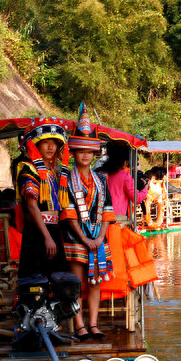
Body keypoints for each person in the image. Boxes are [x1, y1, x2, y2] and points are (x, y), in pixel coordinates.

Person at [61, 104, 115, 340]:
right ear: (73, 153)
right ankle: (79, 324)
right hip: (75, 238)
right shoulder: (66, 180)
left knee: (95, 281)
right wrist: (84, 238)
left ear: (94, 154)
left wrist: (101, 236)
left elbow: (107, 210)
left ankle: (93, 324)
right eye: (80, 151)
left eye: (89, 151)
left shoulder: (101, 179)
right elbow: (68, 211)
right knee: (76, 283)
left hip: (98, 238)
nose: (85, 155)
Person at [15, 117, 71, 279]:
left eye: (54, 142)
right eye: (46, 142)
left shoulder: (54, 170)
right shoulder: (29, 169)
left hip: (53, 229)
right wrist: (47, 237)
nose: (51, 147)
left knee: (57, 278)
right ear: (36, 144)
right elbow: (32, 206)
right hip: (38, 232)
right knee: (37, 281)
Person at [101, 141, 147, 221]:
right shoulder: (125, 176)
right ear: (125, 161)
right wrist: (145, 189)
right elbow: (137, 199)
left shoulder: (99, 172)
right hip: (117, 218)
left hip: (100, 217)